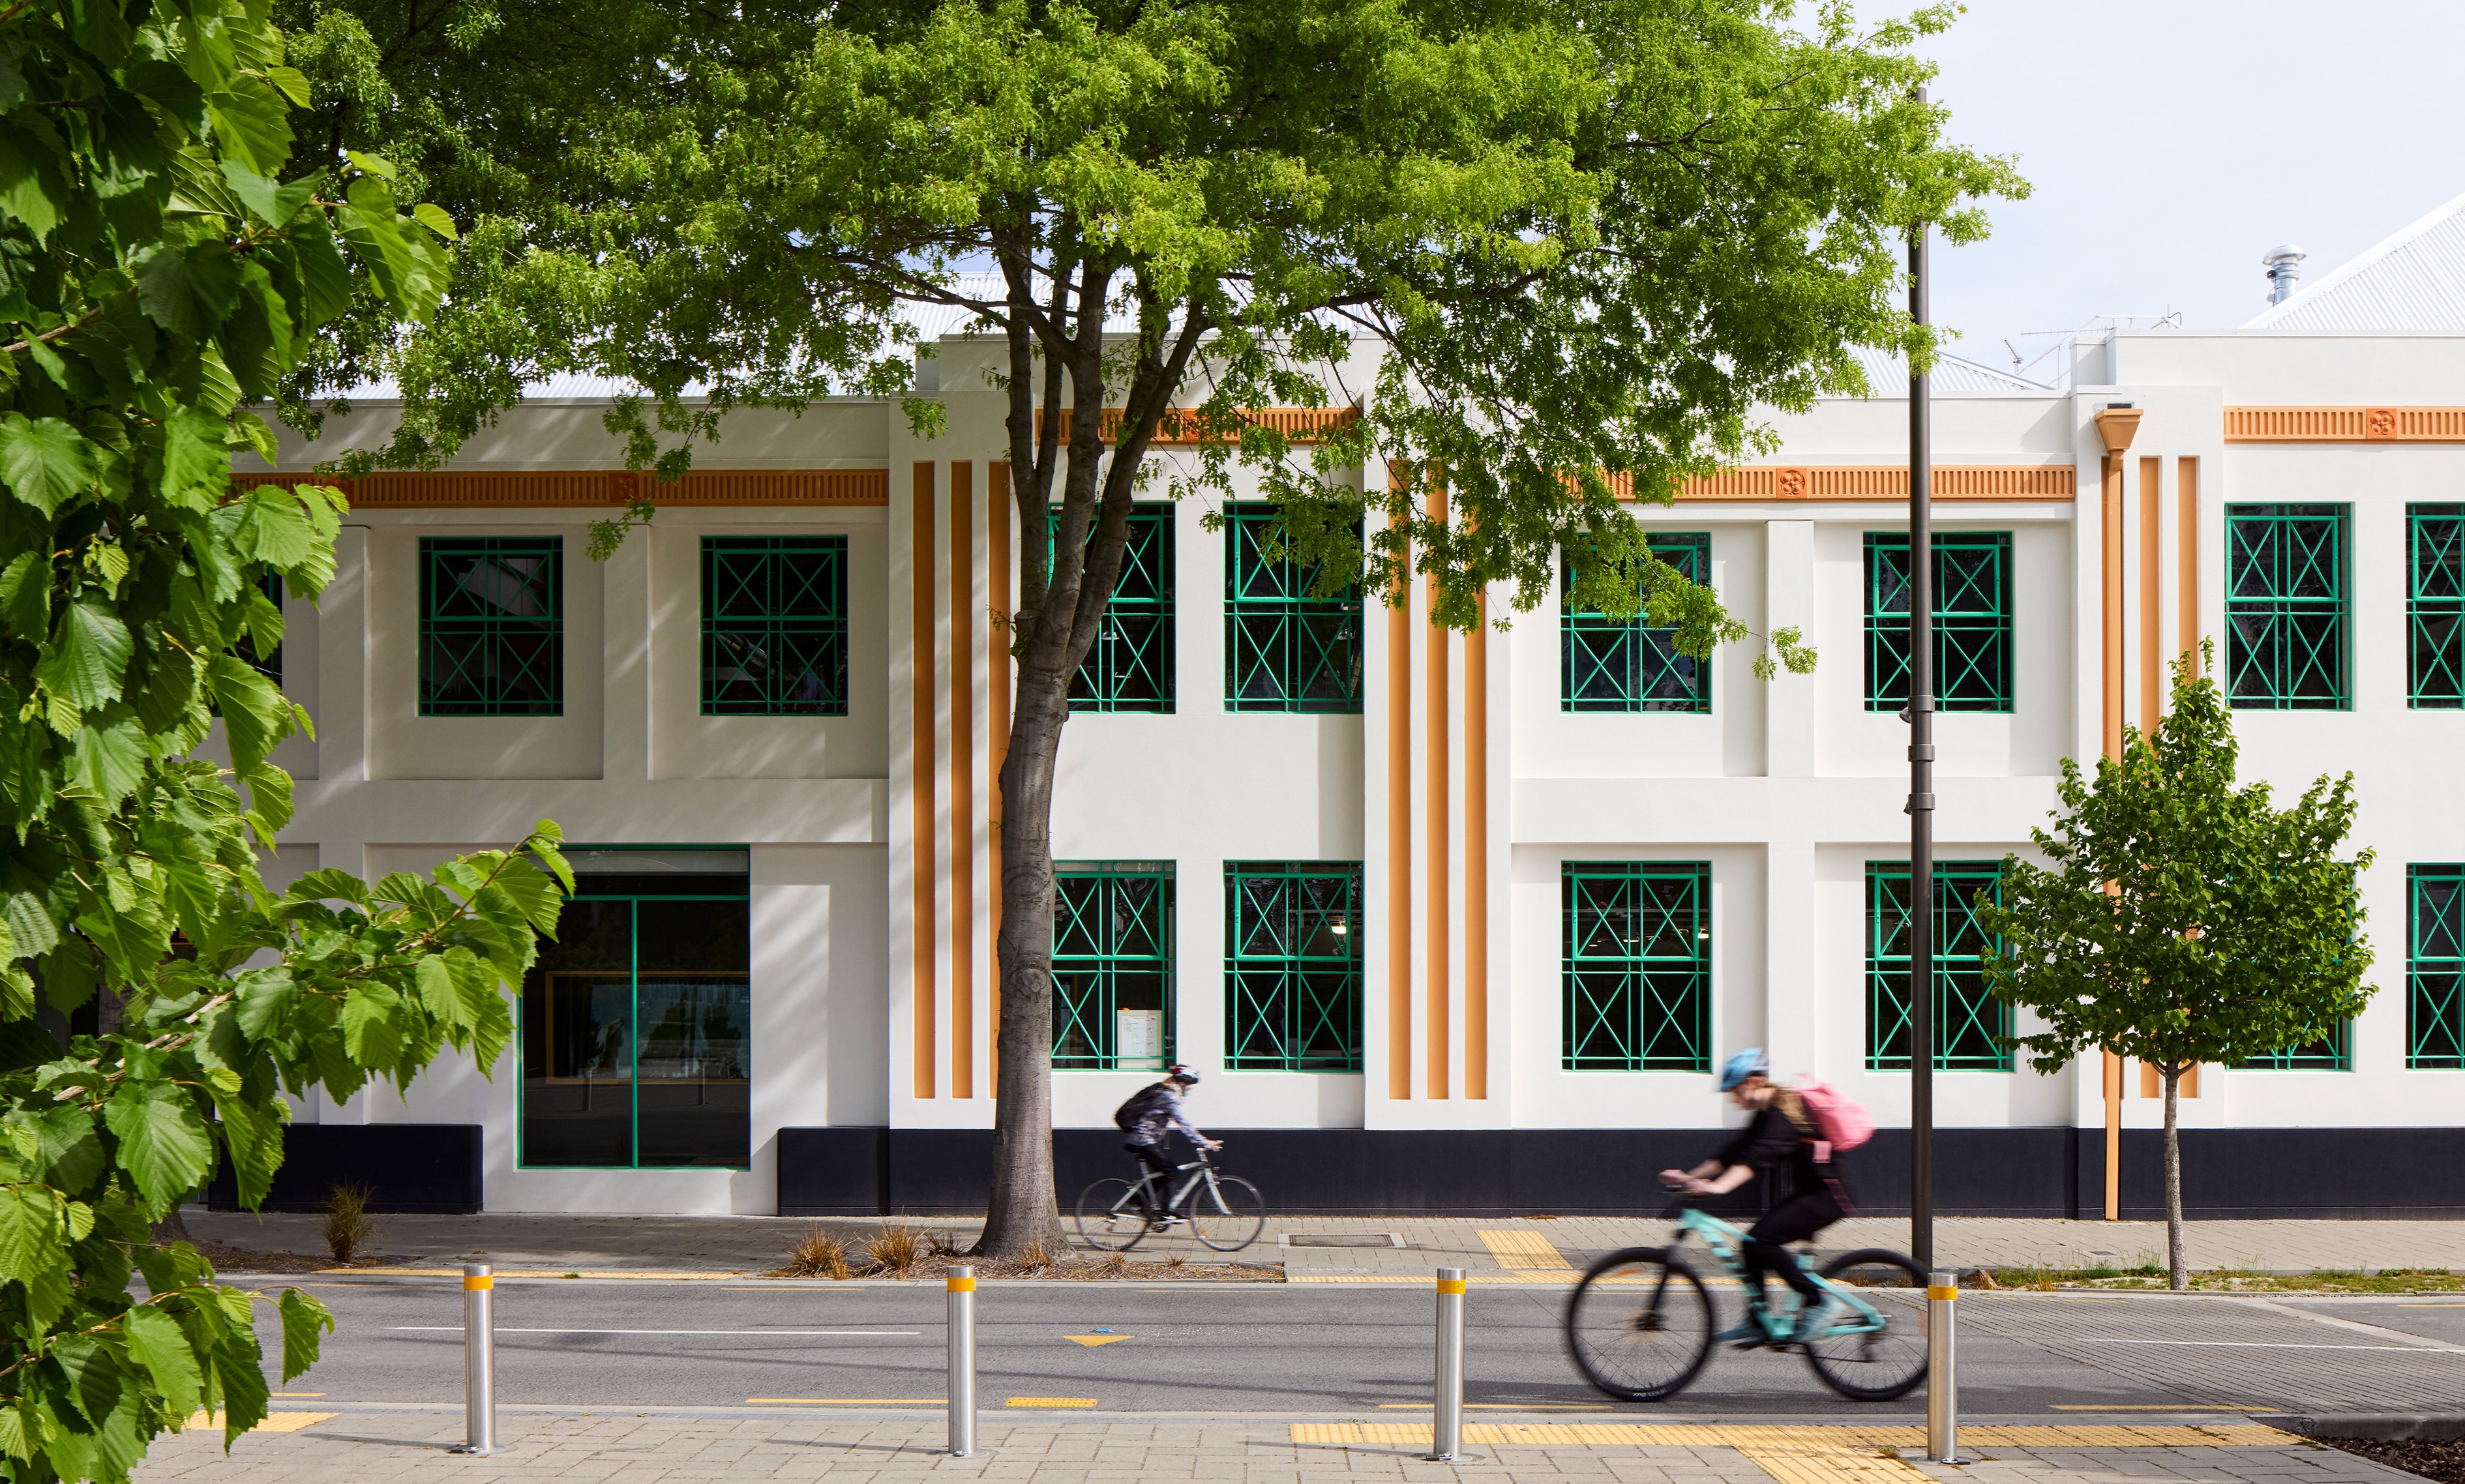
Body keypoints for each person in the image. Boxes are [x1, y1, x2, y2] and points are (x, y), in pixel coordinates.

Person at [1657, 1048, 1849, 1346]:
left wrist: (1719, 1187)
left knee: (1761, 1241)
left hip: (1828, 1196)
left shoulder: (1784, 1113)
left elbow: (1755, 1160)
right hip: (1810, 1193)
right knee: (1751, 1244)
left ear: (1754, 1082)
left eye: (1735, 1090)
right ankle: (1758, 1319)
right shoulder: (1765, 1114)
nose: (1733, 1098)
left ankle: (1820, 1301)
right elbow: (1732, 1154)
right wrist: (1689, 1177)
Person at [1113, 1065, 1220, 1227]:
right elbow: (1184, 1123)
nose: (1190, 1090)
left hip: (1145, 1141)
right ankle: (1165, 1212)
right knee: (1171, 1172)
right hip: (1143, 1141)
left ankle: (1136, 1201)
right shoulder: (1169, 1097)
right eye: (1190, 1086)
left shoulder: (1167, 1093)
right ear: (1183, 1083)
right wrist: (1205, 1142)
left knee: (1162, 1175)